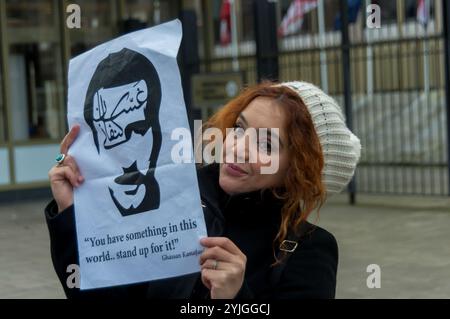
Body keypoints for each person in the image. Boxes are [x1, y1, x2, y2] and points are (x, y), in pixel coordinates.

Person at [46, 80, 361, 299]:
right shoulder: (173, 201)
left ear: (298, 170)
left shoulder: (308, 249)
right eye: (240, 128)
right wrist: (73, 213)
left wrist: (236, 297)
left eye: (266, 143)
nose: (237, 147)